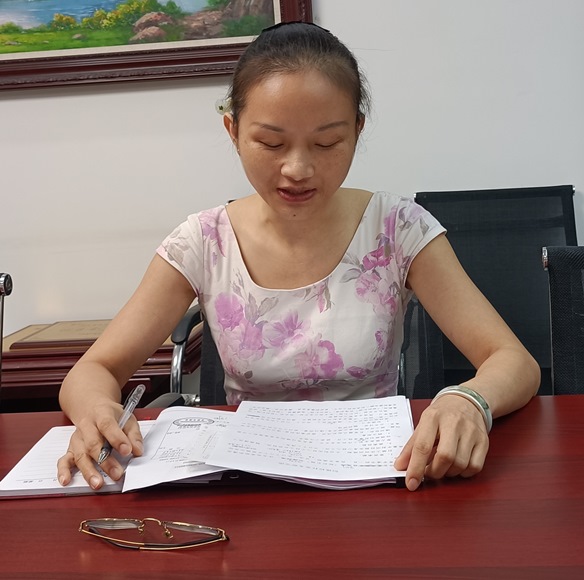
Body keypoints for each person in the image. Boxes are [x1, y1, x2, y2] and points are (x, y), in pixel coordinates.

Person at [57, 22, 540, 492]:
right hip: (247, 490)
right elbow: (94, 370)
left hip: (376, 481)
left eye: (327, 143)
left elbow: (513, 361)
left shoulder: (398, 230)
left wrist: (468, 400)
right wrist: (97, 411)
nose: (298, 168)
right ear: (233, 130)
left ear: (357, 131)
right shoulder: (203, 241)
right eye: (271, 143)